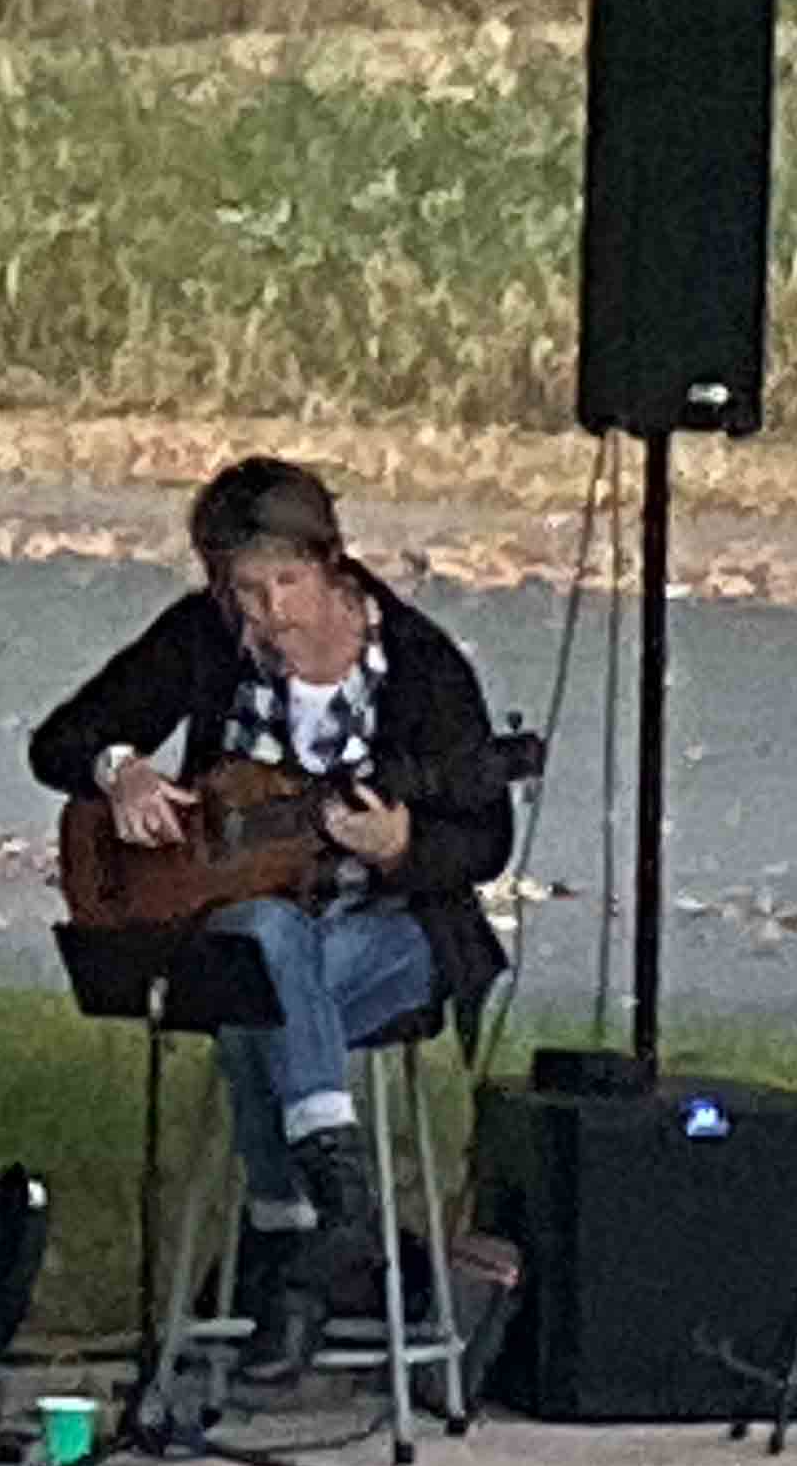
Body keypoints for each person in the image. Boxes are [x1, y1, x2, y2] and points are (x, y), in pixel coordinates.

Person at [28, 457, 515, 1376]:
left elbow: (486, 839)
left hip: (393, 937)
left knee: (263, 1000)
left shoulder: (419, 665)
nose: (270, 613)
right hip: (251, 931)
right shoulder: (205, 639)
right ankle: (330, 1231)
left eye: (287, 583)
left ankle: (286, 1243)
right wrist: (120, 771)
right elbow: (59, 740)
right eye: (245, 591)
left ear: (331, 563)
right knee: (268, 943)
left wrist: (403, 845)